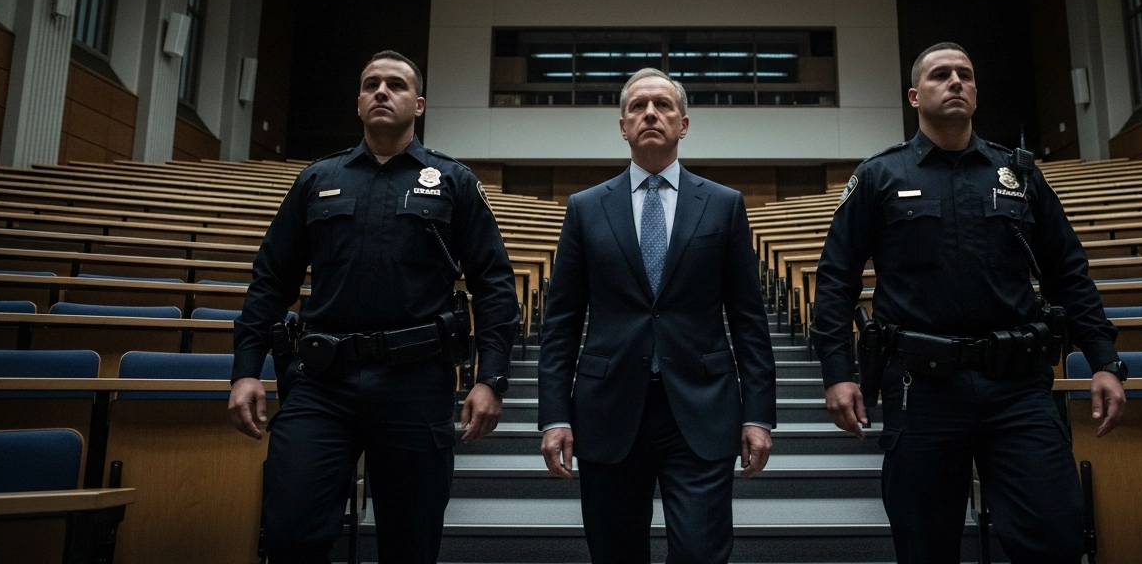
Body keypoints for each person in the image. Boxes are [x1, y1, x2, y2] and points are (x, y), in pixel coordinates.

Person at [812, 42, 1127, 564]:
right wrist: (836, 371)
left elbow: (1067, 271)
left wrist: (1102, 359)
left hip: (1018, 388)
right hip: (922, 391)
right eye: (940, 75)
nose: (955, 81)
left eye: (965, 75)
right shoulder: (879, 176)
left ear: (976, 93)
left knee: (1055, 537)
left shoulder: (1020, 175)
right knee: (925, 546)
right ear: (915, 96)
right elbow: (836, 279)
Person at [227, 50, 518, 564]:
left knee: (410, 545)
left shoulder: (454, 182)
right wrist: (245, 370)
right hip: (321, 384)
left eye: (396, 85)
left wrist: (489, 379)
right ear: (358, 103)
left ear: (420, 104)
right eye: (371, 85)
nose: (382, 91)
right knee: (289, 531)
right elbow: (271, 281)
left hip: (415, 385)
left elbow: (493, 284)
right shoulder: (317, 180)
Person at [537, 68, 777, 564]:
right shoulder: (584, 208)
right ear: (622, 125)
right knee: (615, 554)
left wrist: (758, 414)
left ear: (683, 125)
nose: (651, 113)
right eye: (639, 106)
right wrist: (554, 415)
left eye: (664, 105)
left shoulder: (724, 204)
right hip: (607, 409)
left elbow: (749, 319)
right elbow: (560, 323)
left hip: (701, 405)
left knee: (701, 553)